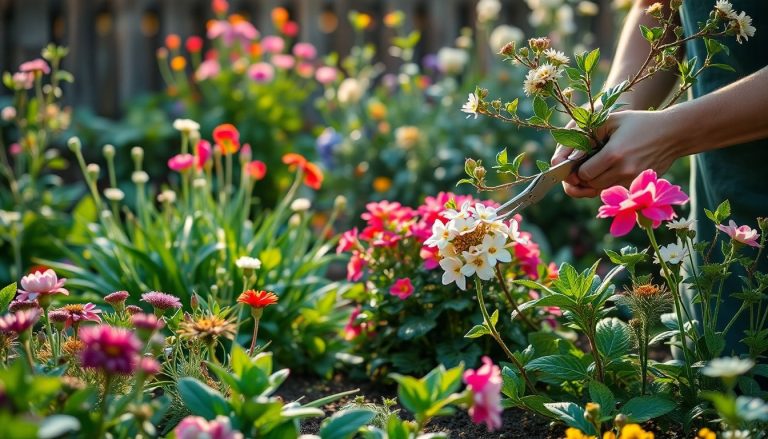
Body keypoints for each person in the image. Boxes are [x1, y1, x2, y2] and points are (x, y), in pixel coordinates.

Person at [551, 0, 768, 352]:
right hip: (721, 230)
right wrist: (612, 105)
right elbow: (661, 6)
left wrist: (672, 132)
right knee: (714, 373)